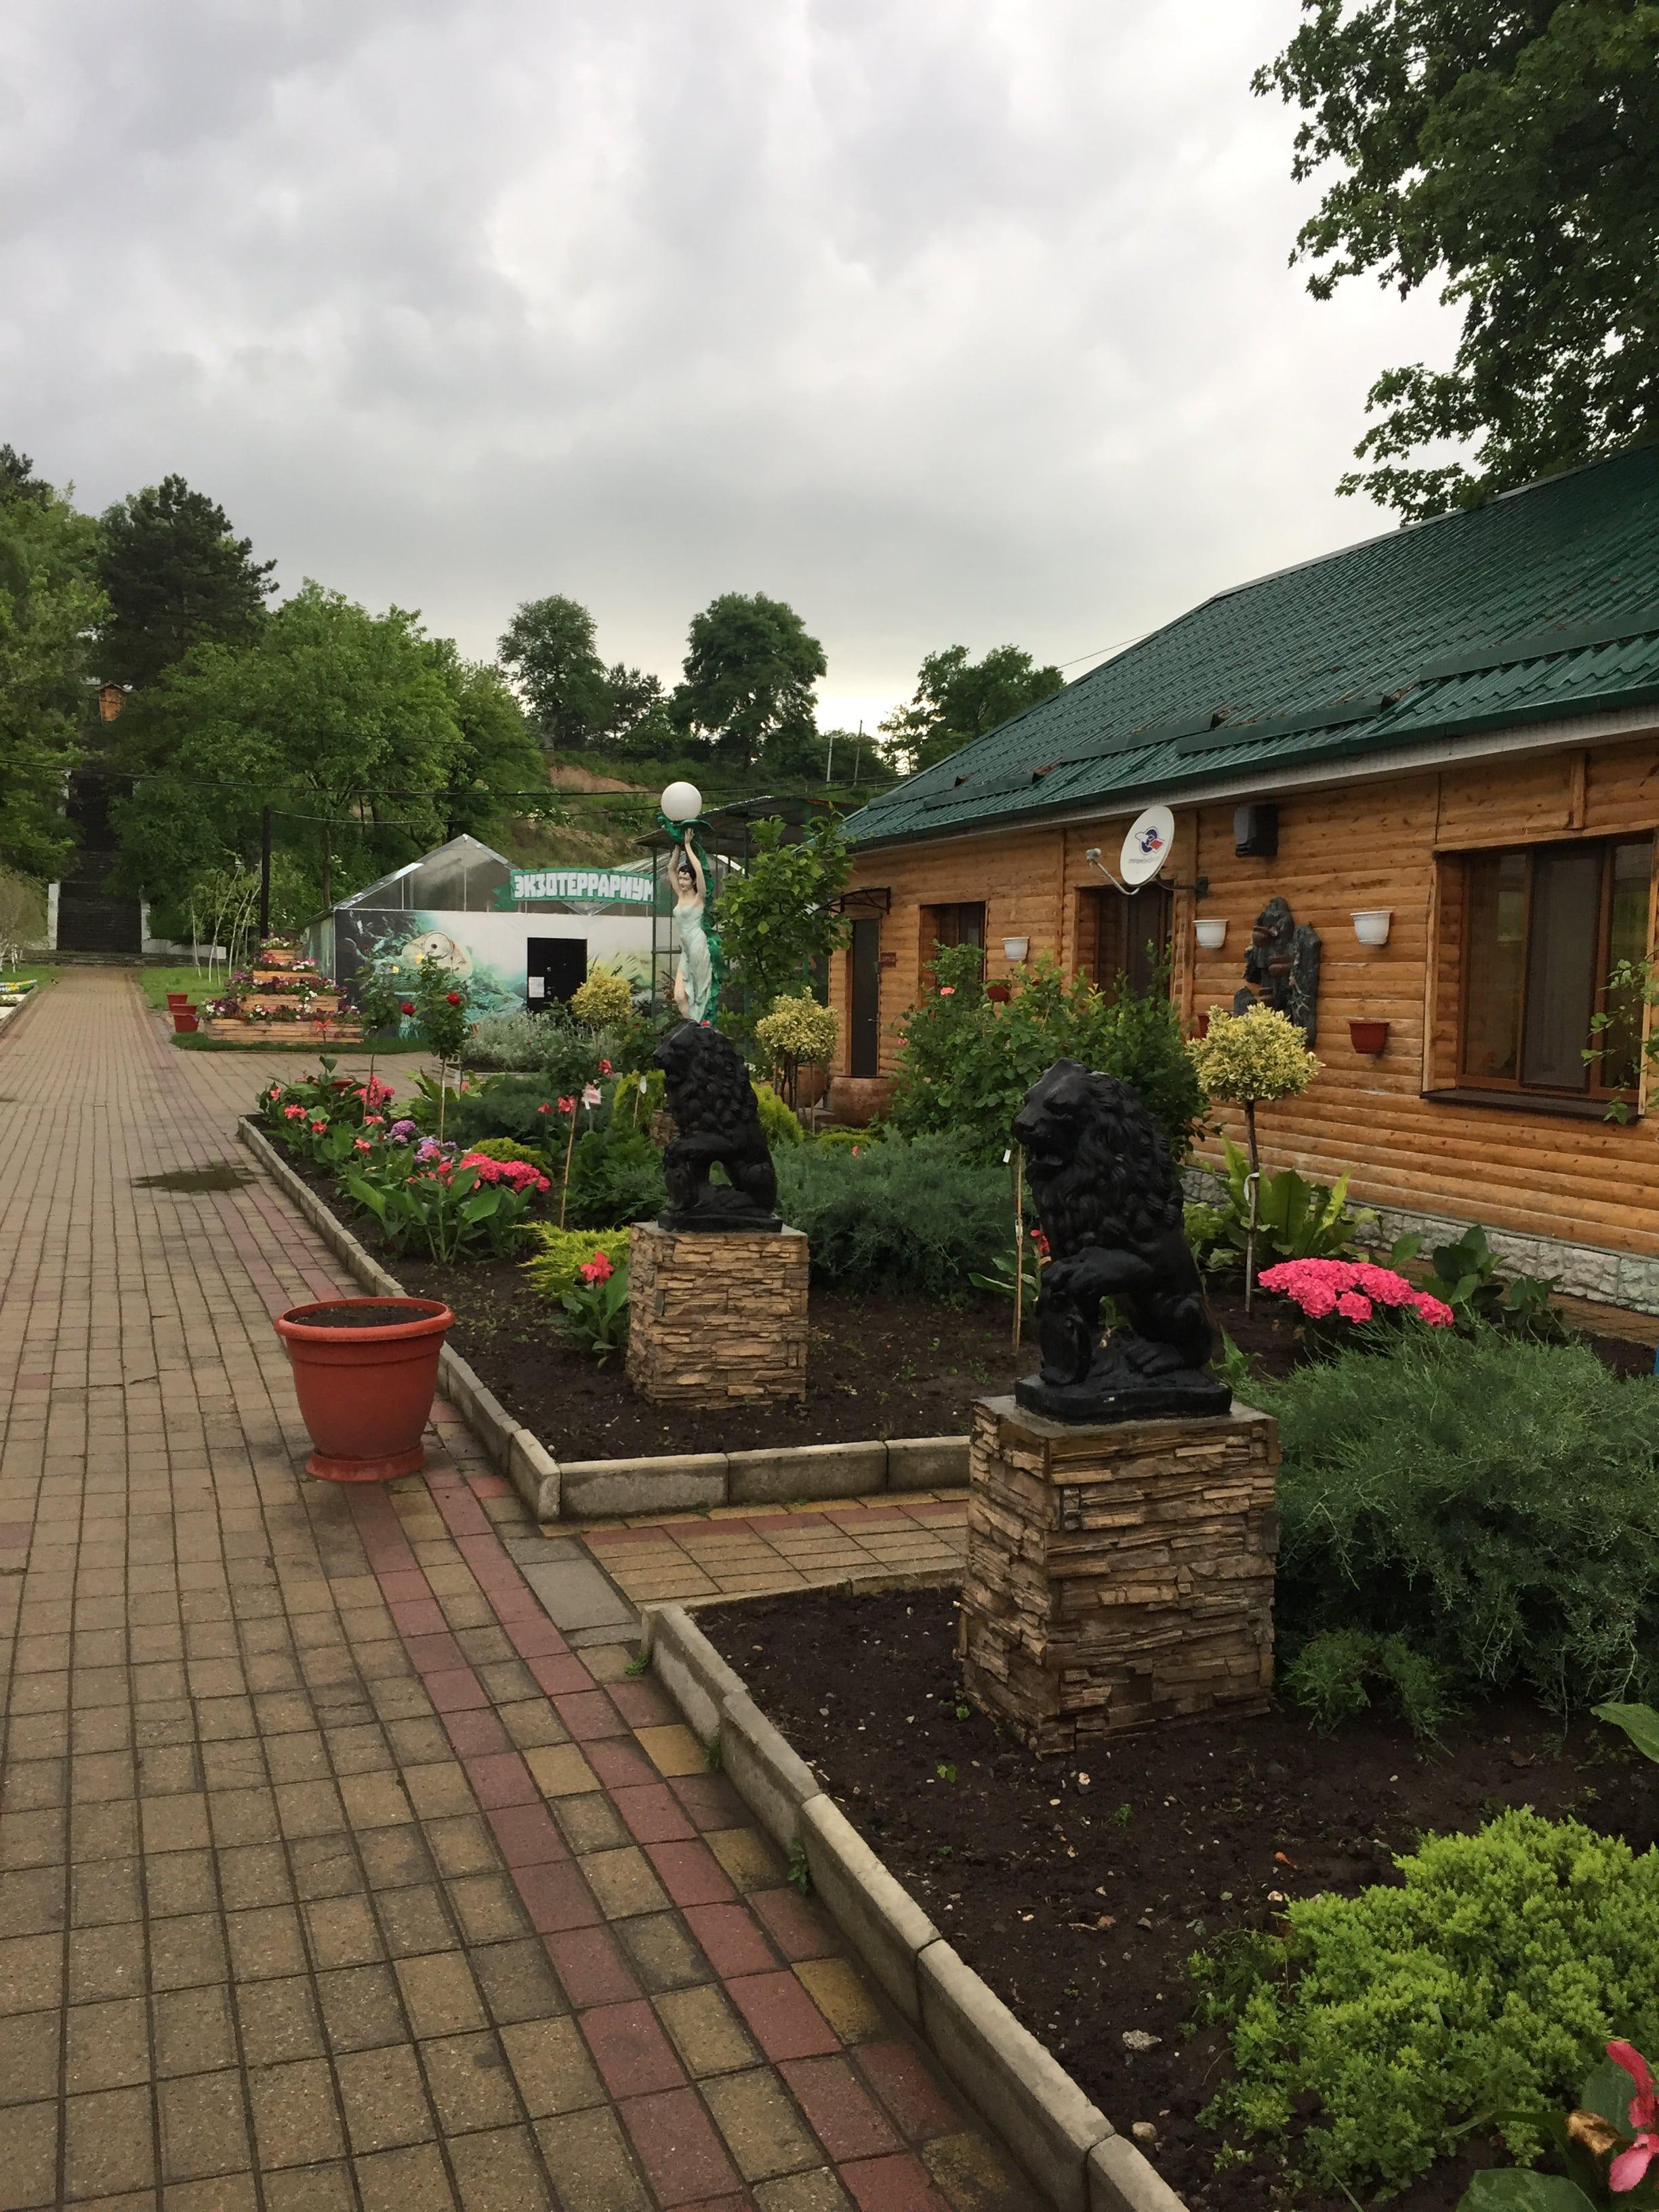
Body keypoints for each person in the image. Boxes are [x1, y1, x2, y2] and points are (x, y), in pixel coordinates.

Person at [670, 831, 714, 1023]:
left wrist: (688, 846)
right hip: (686, 950)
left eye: (686, 879)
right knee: (679, 996)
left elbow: (699, 870)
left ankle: (700, 1027)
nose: (682, 882)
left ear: (693, 881)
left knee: (699, 994)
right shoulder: (680, 896)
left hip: (698, 946)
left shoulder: (699, 898)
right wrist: (677, 846)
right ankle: (694, 1027)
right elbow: (670, 870)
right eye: (681, 878)